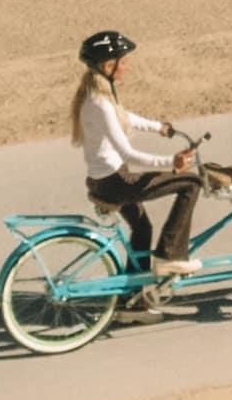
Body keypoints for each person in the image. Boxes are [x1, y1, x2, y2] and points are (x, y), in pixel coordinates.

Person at [72, 30, 205, 281]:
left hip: (102, 179)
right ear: (107, 66)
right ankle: (170, 256)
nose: (126, 67)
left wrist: (159, 127)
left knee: (142, 228)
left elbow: (124, 117)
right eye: (122, 62)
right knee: (192, 184)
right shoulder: (100, 103)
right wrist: (172, 164)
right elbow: (128, 155)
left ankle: (135, 298)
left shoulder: (95, 96)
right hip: (117, 180)